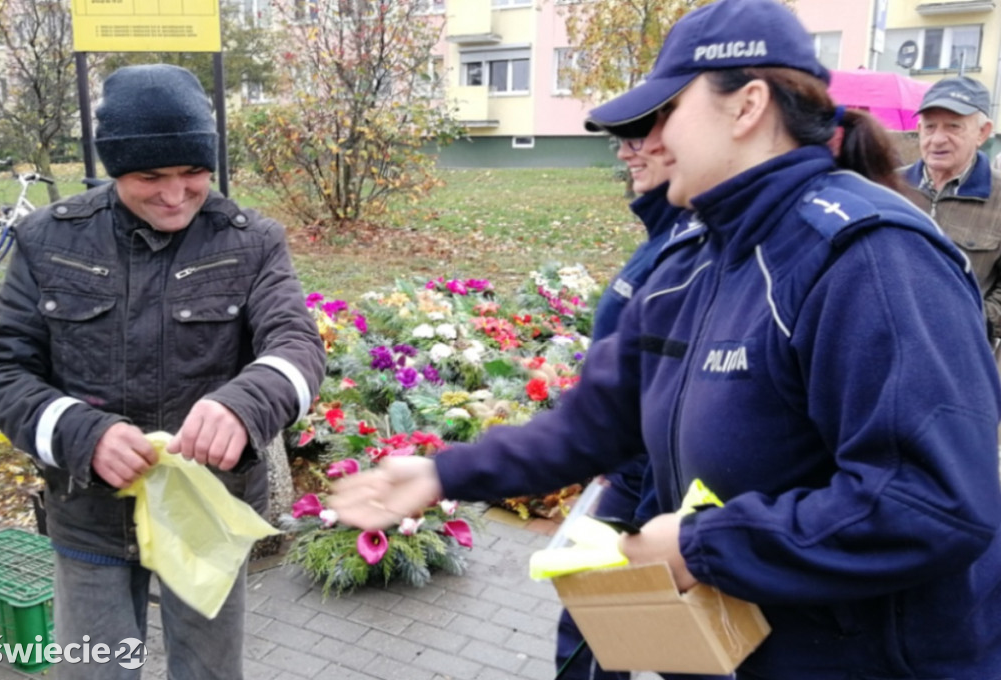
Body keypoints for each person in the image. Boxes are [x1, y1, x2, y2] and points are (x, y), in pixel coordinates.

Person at [330, 1, 1001, 679]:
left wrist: (700, 544)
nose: (648, 141)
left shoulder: (868, 258)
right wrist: (441, 472)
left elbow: (930, 501)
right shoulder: (691, 261)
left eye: (666, 113)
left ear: (747, 107)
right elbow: (593, 426)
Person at [0, 64, 326, 679]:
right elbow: (1, 370)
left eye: (193, 171)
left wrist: (244, 404)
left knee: (209, 673)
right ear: (115, 171)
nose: (175, 194)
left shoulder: (253, 242)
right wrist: (81, 433)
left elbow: (297, 345)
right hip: (88, 515)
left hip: (206, 515)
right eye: (149, 176)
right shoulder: (47, 239)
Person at [554, 113, 730, 680]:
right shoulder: (669, 235)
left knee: (680, 646)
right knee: (594, 620)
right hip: (636, 469)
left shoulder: (703, 242)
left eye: (637, 139)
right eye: (620, 142)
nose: (625, 154)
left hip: (672, 488)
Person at [899, 76, 1001, 346]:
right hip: (890, 347)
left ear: (982, 132)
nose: (937, 139)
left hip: (963, 354)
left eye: (953, 127)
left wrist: (978, 319)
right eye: (930, 127)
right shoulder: (887, 186)